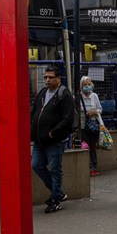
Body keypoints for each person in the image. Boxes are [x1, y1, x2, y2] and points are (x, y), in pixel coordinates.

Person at [31, 66, 75, 213]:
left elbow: (68, 118)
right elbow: (35, 112)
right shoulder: (42, 93)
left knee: (55, 169)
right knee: (36, 165)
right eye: (45, 77)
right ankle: (58, 192)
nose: (47, 80)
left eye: (50, 77)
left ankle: (56, 199)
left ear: (58, 79)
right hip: (39, 140)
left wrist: (53, 133)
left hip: (54, 141)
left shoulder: (64, 94)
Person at [79, 76, 103, 176]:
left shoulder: (94, 96)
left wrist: (94, 112)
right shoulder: (78, 97)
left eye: (89, 84)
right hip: (83, 126)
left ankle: (94, 167)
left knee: (93, 147)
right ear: (81, 86)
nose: (87, 86)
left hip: (93, 126)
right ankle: (86, 168)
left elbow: (100, 109)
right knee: (85, 147)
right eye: (85, 84)